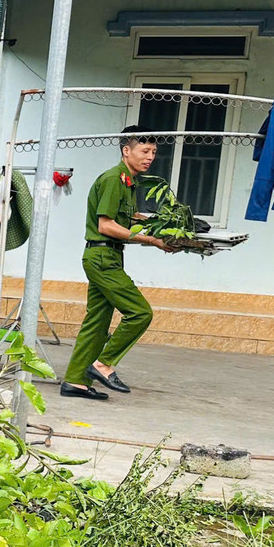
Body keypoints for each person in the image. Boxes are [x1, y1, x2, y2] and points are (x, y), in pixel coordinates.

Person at [61, 126, 176, 400]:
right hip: (102, 257)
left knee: (97, 323)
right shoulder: (114, 179)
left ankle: (75, 382)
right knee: (140, 313)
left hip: (107, 256)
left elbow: (126, 216)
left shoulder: (127, 181)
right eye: (144, 151)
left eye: (154, 152)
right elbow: (106, 225)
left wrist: (159, 223)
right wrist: (151, 240)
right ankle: (103, 364)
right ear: (127, 150)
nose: (150, 157)